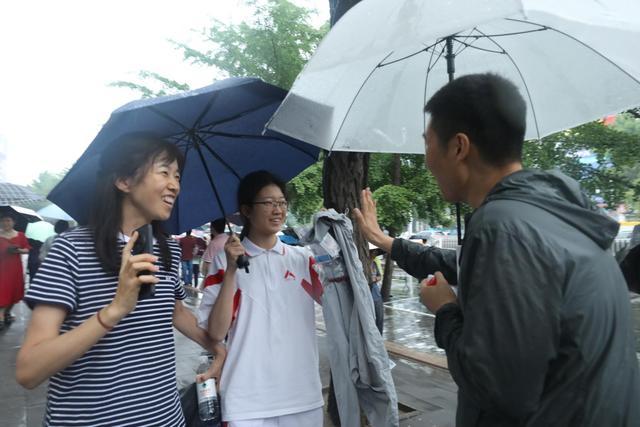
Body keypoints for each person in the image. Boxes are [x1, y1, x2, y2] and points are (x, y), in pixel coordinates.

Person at [353, 73, 640, 426]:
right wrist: (389, 243)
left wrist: (445, 310)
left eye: (427, 143)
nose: (426, 158)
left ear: (459, 147)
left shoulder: (501, 228)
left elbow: (498, 389)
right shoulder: (552, 214)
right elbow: (458, 265)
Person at [16, 133, 224, 426]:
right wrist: (115, 309)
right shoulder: (71, 250)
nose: (175, 185)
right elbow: (29, 371)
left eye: (177, 175)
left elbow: (175, 310)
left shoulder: (167, 249)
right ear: (124, 181)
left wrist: (218, 348)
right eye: (164, 172)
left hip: (165, 417)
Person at [197, 170, 324, 427]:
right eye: (268, 203)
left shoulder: (302, 259)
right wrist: (232, 270)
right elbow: (215, 332)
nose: (277, 210)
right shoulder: (223, 262)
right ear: (246, 209)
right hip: (246, 401)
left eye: (281, 202)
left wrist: (337, 254)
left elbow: (336, 305)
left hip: (301, 395)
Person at [0, 212, 31, 329]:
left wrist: (18, 251)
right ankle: (1, 317)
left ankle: (7, 313)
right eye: (3, 220)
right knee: (3, 292)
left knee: (14, 292)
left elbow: (27, 249)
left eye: (8, 220)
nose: (5, 223)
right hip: (2, 269)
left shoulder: (21, 235)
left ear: (14, 222)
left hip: (15, 269)